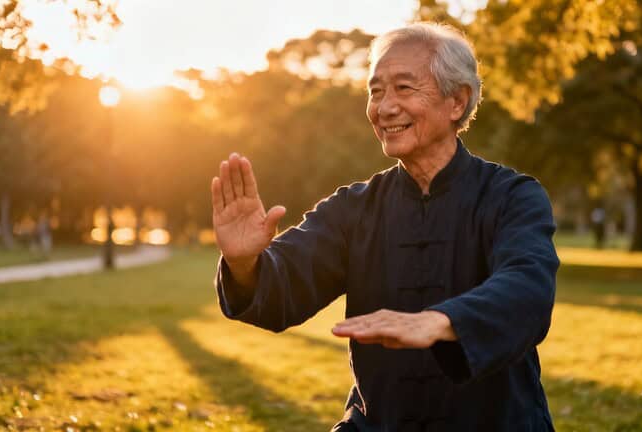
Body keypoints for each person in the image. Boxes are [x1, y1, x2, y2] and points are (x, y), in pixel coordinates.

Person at [211, 23, 559, 432]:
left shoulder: (512, 196)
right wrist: (243, 264)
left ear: (457, 101)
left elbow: (528, 288)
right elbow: (287, 281)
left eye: (404, 88)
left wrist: (443, 321)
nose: (384, 107)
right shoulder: (354, 208)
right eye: (376, 91)